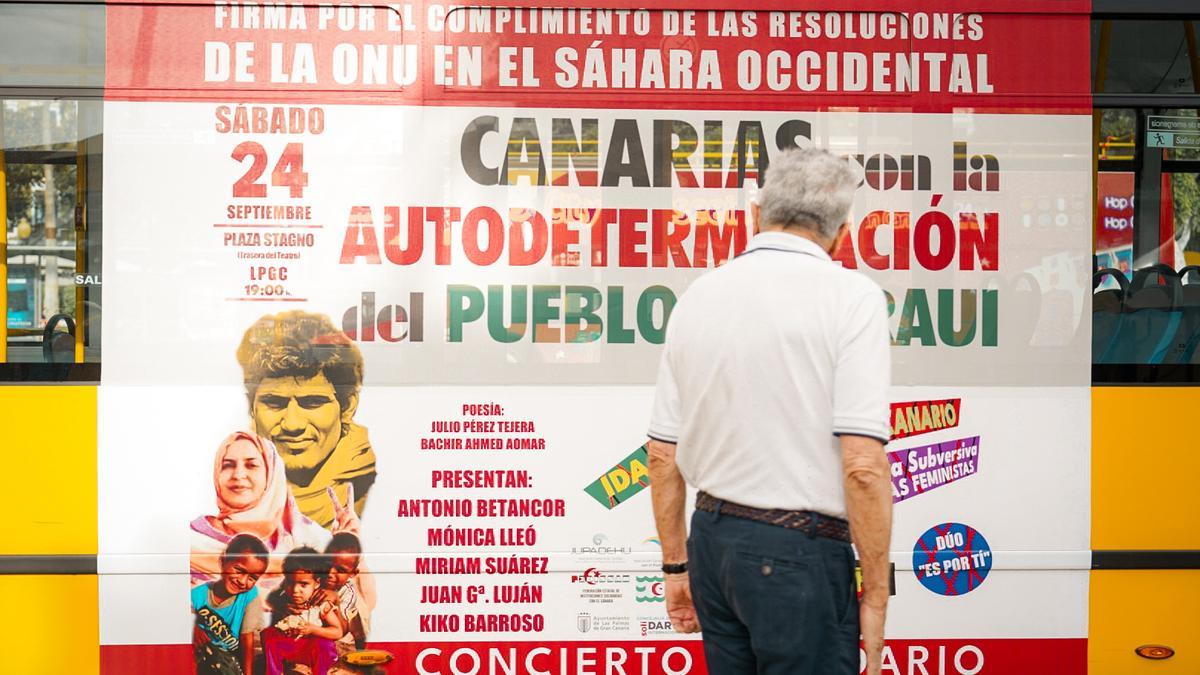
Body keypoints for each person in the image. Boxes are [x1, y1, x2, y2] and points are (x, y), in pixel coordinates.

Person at [646, 148, 894, 675]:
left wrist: (675, 566)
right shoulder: (853, 298)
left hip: (712, 545)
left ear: (755, 214)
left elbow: (662, 457)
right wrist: (874, 596)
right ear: (843, 232)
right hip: (797, 556)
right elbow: (864, 468)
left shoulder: (698, 296)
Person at [237, 311, 375, 529]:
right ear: (251, 408)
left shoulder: (375, 490)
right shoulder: (231, 486)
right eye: (274, 403)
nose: (293, 425)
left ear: (347, 406)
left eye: (312, 403)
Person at [191, 431, 336, 585]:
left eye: (251, 465)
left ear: (271, 474)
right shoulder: (194, 539)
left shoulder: (312, 539)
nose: (238, 474)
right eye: (227, 465)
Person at [261, 547, 347, 675]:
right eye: (290, 582)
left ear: (317, 583)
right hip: (290, 648)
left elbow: (337, 631)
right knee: (268, 634)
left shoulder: (321, 604)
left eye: (303, 584)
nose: (295, 590)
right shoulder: (284, 601)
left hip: (311, 649)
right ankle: (275, 672)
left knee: (324, 645)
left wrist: (313, 629)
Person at [192, 533, 270, 675]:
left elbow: (247, 639)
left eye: (252, 578)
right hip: (205, 657)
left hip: (233, 658)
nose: (243, 581)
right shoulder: (197, 595)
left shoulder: (249, 596)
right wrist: (193, 627)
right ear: (223, 561)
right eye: (239, 571)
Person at [321, 533, 375, 655]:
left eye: (341, 570)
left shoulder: (348, 592)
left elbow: (343, 629)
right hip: (318, 630)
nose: (330, 573)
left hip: (343, 628)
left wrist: (335, 599)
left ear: (352, 573)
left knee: (356, 628)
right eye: (327, 565)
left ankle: (361, 651)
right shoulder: (314, 577)